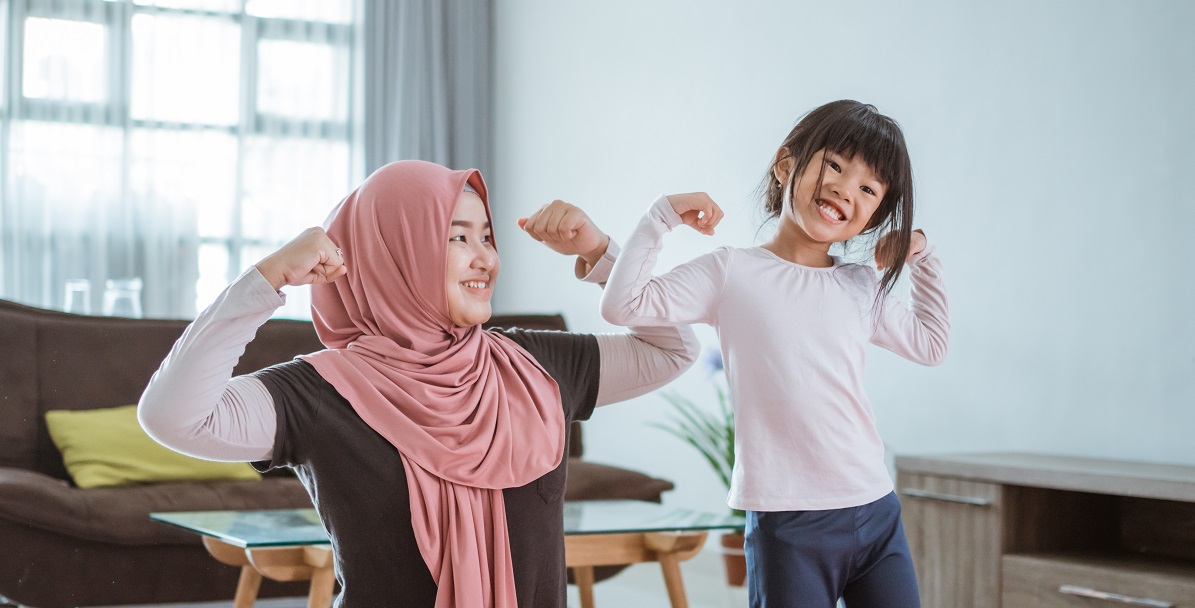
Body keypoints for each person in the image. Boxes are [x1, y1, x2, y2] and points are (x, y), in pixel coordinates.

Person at [138, 160, 697, 608]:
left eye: (487, 236)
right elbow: (173, 415)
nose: (486, 259)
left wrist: (601, 253)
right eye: (457, 239)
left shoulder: (532, 364)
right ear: (395, 253)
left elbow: (673, 350)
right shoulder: (321, 391)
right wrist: (266, 280)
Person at [598, 100, 950, 607]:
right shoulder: (731, 272)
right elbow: (623, 304)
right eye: (834, 165)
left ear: (876, 213)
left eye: (868, 188)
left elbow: (932, 343)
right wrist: (660, 217)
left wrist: (923, 252)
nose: (843, 189)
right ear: (787, 165)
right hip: (788, 522)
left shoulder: (858, 284)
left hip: (875, 509)